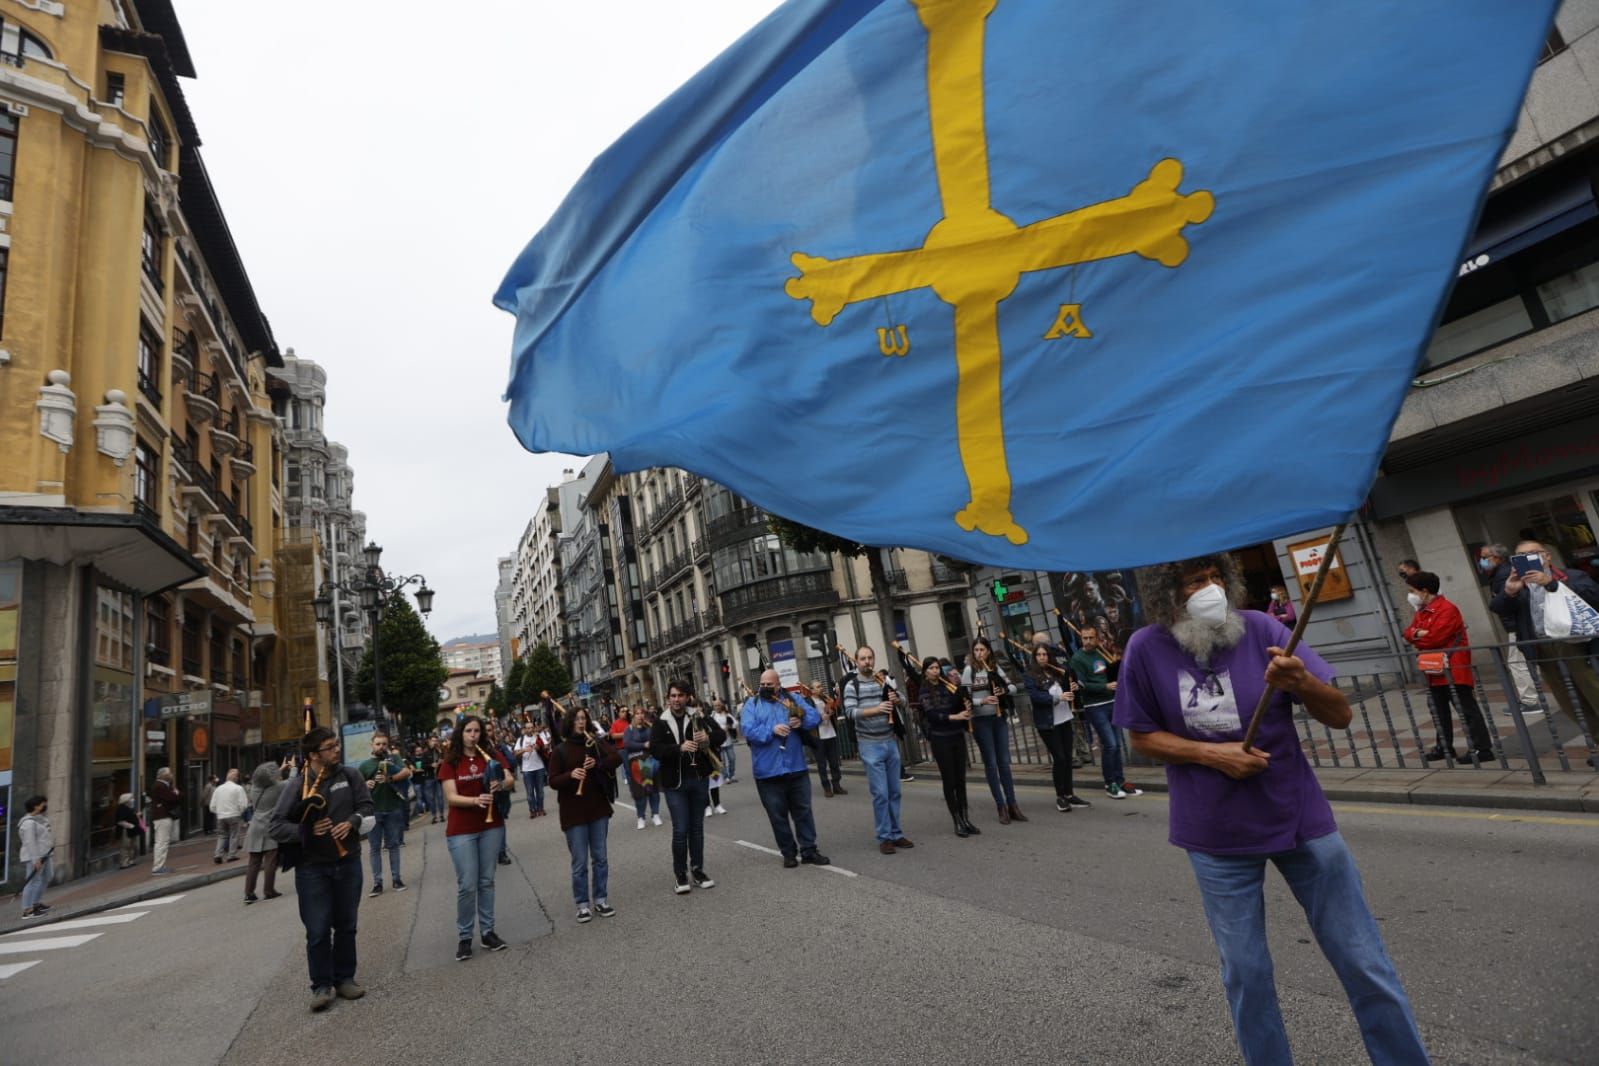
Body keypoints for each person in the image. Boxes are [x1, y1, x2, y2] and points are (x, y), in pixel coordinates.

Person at [1114, 553, 1428, 1065]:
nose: (1209, 589)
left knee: (1363, 960)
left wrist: (1302, 682)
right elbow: (1142, 736)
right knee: (1246, 973)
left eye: (1217, 578)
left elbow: (1341, 714)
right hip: (1215, 835)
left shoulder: (1262, 629)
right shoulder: (1145, 648)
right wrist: (1210, 753)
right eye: (1195, 582)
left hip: (1301, 819)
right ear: (1168, 596)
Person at [270, 728, 375, 1012]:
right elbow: (276, 825)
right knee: (317, 930)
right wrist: (306, 831)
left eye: (336, 745)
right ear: (314, 755)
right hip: (312, 868)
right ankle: (321, 986)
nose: (337, 750)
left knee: (346, 925)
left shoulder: (350, 776)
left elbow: (367, 807)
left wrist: (353, 821)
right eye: (330, 747)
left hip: (348, 861)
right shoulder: (296, 785)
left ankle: (345, 979)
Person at [1492, 539, 1599, 766]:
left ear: (1547, 556)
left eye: (1534, 553)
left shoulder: (1571, 576)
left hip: (1576, 645)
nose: (1528, 559)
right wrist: (1509, 592)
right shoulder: (1518, 586)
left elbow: (1593, 597)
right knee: (1570, 702)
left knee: (1594, 692)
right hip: (1542, 648)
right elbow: (1498, 608)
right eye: (1521, 556)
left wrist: (1551, 583)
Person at [437, 716, 515, 961]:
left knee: (486, 880)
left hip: (491, 826)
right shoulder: (450, 762)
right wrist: (475, 800)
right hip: (462, 829)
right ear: (461, 733)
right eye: (469, 731)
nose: (473, 735)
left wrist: (500, 785)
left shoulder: (489, 755)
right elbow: (451, 797)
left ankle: (488, 932)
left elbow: (510, 778)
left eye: (477, 731)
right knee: (468, 884)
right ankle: (465, 936)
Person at [1402, 571, 1495, 764]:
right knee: (1437, 709)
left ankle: (1482, 748)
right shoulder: (1422, 611)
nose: (1410, 595)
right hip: (1434, 667)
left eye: (1412, 590)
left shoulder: (1446, 608)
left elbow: (1435, 637)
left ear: (1425, 591)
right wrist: (1420, 633)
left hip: (1453, 667)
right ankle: (1444, 747)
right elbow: (1408, 633)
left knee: (1466, 708)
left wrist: (1418, 635)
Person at [742, 668, 830, 869]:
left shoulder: (792, 698)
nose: (764, 688)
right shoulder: (751, 704)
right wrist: (771, 730)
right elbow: (747, 730)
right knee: (777, 815)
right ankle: (788, 852)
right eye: (762, 684)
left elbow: (813, 717)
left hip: (796, 767)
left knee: (803, 811)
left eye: (769, 684)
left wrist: (801, 721)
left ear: (778, 685)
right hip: (768, 771)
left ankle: (809, 850)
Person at [548, 706, 622, 923]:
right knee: (579, 861)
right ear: (570, 723)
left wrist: (598, 764)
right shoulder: (560, 750)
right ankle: (582, 904)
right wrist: (571, 774)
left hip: (597, 807)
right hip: (573, 812)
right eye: (577, 719)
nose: (581, 722)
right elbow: (552, 781)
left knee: (600, 858)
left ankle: (600, 899)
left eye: (584, 719)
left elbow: (617, 758)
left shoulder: (595, 742)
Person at [651, 679, 725, 894]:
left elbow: (720, 735)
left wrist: (708, 737)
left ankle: (698, 870)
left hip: (699, 779)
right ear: (668, 698)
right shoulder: (661, 721)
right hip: (675, 784)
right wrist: (678, 748)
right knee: (680, 829)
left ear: (687, 697)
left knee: (697, 829)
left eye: (680, 695)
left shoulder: (698, 716)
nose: (676, 699)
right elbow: (655, 749)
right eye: (673, 696)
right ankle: (680, 873)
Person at [842, 646, 914, 854]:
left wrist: (897, 700)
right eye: (863, 658)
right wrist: (876, 709)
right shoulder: (851, 685)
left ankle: (896, 833)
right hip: (869, 743)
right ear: (856, 661)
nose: (867, 662)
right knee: (881, 793)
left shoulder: (884, 681)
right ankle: (884, 837)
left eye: (870, 658)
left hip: (890, 741)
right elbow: (849, 712)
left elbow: (904, 701)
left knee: (895, 791)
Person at [961, 637, 1026, 823]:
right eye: (976, 650)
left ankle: (1013, 804)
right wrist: (981, 701)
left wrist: (1003, 691)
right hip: (981, 721)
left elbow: (1012, 686)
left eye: (982, 650)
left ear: (988, 651)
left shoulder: (994, 668)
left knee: (1004, 762)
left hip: (998, 719)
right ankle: (1001, 806)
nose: (979, 653)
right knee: (991, 763)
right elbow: (963, 697)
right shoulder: (969, 670)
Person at [918, 657, 979, 837]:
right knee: (949, 780)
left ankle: (966, 818)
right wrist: (955, 717)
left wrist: (965, 704)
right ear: (925, 672)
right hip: (940, 739)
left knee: (960, 780)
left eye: (937, 667)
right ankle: (957, 820)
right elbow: (932, 715)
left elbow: (959, 705)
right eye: (931, 668)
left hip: (956, 736)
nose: (935, 671)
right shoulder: (924, 690)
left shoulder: (949, 686)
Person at [1023, 645, 1086, 813]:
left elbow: (1070, 682)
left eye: (1045, 654)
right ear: (1035, 657)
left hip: (1065, 718)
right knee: (1059, 758)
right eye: (1039, 655)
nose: (1042, 657)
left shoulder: (1058, 670)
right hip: (1048, 723)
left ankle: (1070, 794)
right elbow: (1036, 697)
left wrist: (1073, 688)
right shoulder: (1030, 675)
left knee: (1067, 758)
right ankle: (1060, 797)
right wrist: (1058, 697)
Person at [1479, 543, 1541, 709]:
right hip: (1518, 625)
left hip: (1517, 626)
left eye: (1485, 558)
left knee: (1517, 663)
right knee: (1524, 662)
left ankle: (1530, 701)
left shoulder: (1504, 575)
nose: (1482, 561)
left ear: (1498, 558)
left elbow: (1505, 603)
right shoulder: (1501, 573)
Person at [1069, 626, 1124, 800]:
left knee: (1117, 745)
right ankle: (1110, 784)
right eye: (1084, 638)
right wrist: (1104, 686)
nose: (1087, 641)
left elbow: (1110, 673)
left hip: (1112, 701)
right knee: (1110, 744)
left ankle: (1120, 781)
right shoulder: (1077, 659)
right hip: (1095, 705)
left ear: (1096, 639)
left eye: (1090, 638)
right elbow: (1082, 684)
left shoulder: (1102, 652)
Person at [358, 731, 412, 896]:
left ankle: (396, 879)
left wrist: (390, 779)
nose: (381, 747)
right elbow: (357, 790)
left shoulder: (392, 759)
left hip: (393, 808)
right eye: (378, 744)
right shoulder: (365, 765)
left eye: (384, 744)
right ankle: (377, 883)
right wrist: (365, 784)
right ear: (372, 745)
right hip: (373, 812)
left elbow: (407, 772)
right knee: (374, 848)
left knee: (393, 845)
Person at [243, 760, 288, 904]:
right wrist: (292, 768)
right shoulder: (277, 787)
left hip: (255, 827)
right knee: (270, 860)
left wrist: (280, 769)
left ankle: (249, 893)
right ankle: (269, 891)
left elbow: (267, 779)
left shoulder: (254, 788)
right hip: (270, 827)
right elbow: (292, 782)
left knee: (253, 862)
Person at [623, 708, 662, 828]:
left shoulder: (649, 728)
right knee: (640, 793)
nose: (640, 716)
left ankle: (655, 814)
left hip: (650, 761)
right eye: (637, 714)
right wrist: (643, 745)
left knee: (653, 790)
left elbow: (656, 741)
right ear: (633, 716)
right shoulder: (629, 729)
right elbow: (627, 744)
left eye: (642, 714)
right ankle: (641, 817)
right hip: (636, 763)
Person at [17, 795, 53, 919]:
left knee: (47, 876)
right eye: (43, 803)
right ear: (36, 806)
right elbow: (30, 842)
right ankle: (27, 910)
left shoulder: (38, 819)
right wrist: (35, 859)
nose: (45, 806)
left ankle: (35, 903)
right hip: (35, 856)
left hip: (44, 854)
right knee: (33, 881)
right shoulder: (28, 823)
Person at [812, 686, 845, 797]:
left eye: (820, 686)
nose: (821, 688)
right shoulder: (809, 701)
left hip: (830, 732)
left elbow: (834, 711)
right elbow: (808, 717)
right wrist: (821, 717)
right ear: (812, 690)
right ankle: (826, 787)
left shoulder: (825, 698)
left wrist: (832, 709)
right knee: (822, 764)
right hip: (818, 735)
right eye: (818, 687)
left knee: (834, 762)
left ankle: (836, 785)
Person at [210, 768, 248, 863]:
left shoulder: (218, 789)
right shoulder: (238, 788)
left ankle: (218, 854)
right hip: (234, 814)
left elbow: (212, 806)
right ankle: (231, 855)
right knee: (234, 835)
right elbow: (243, 804)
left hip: (221, 816)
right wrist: (239, 812)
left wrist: (219, 812)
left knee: (222, 835)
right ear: (236, 778)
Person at [147, 767, 181, 874]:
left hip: (163, 817)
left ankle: (160, 865)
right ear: (163, 775)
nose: (171, 775)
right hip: (162, 817)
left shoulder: (163, 785)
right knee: (162, 842)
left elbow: (174, 797)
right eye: (169, 773)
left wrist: (175, 794)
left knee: (163, 842)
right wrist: (176, 793)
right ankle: (158, 867)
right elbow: (172, 798)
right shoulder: (160, 786)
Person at [514, 720, 548, 819]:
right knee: (529, 792)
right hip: (527, 769)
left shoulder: (538, 737)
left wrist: (540, 747)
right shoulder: (520, 740)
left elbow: (546, 746)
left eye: (531, 727)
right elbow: (515, 753)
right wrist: (524, 750)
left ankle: (540, 809)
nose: (530, 729)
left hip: (539, 767)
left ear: (533, 728)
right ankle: (532, 810)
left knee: (540, 791)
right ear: (525, 729)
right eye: (528, 728)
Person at [710, 699, 739, 784]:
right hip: (719, 743)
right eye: (715, 705)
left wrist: (730, 726)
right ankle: (726, 777)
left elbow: (736, 723)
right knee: (722, 761)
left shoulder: (726, 714)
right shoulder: (712, 716)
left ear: (721, 705)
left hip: (728, 741)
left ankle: (732, 775)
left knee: (732, 758)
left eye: (719, 705)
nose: (717, 707)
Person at [115, 792, 141, 869]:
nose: (133, 800)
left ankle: (130, 861)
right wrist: (131, 826)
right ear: (126, 800)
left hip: (132, 831)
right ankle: (124, 863)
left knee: (132, 846)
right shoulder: (121, 809)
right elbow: (120, 821)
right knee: (125, 846)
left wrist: (136, 816)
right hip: (125, 831)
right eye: (131, 799)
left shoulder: (130, 808)